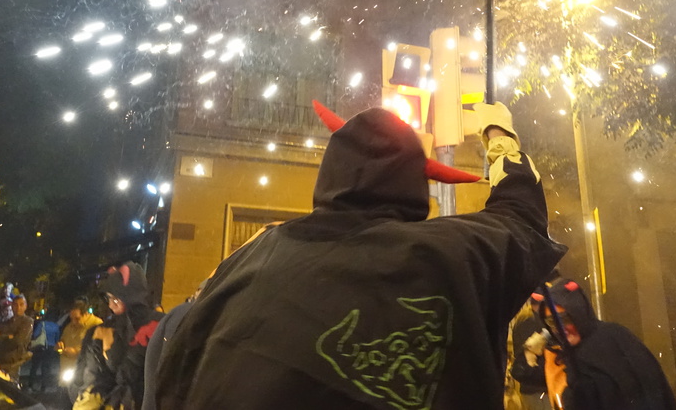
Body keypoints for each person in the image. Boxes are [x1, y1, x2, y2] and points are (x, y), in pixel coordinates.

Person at [156, 100, 564, 409]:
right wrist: (499, 137)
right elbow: (522, 216)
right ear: (416, 186)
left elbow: (173, 377)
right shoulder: (452, 256)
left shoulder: (248, 260)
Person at [538, 279, 676, 410]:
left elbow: (651, 388)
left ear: (578, 313)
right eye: (551, 322)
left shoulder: (617, 338)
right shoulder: (569, 356)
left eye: (565, 319)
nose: (560, 329)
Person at [97, 261, 163, 409]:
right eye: (108, 299)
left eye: (115, 299)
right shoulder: (113, 326)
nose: (110, 305)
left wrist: (109, 349)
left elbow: (126, 372)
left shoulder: (154, 325)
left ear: (129, 297)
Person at [58, 300, 102, 390]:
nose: (73, 322)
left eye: (77, 319)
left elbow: (98, 348)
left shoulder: (96, 324)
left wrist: (77, 352)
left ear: (86, 314)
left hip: (84, 376)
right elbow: (63, 339)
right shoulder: (69, 327)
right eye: (71, 319)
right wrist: (60, 344)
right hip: (67, 374)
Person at [0, 293, 34, 380]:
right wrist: (8, 336)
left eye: (21, 304)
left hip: (14, 363)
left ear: (26, 306)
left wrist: (2, 337)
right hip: (0, 361)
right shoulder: (6, 322)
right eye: (15, 305)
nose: (18, 307)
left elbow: (18, 341)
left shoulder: (27, 322)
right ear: (12, 306)